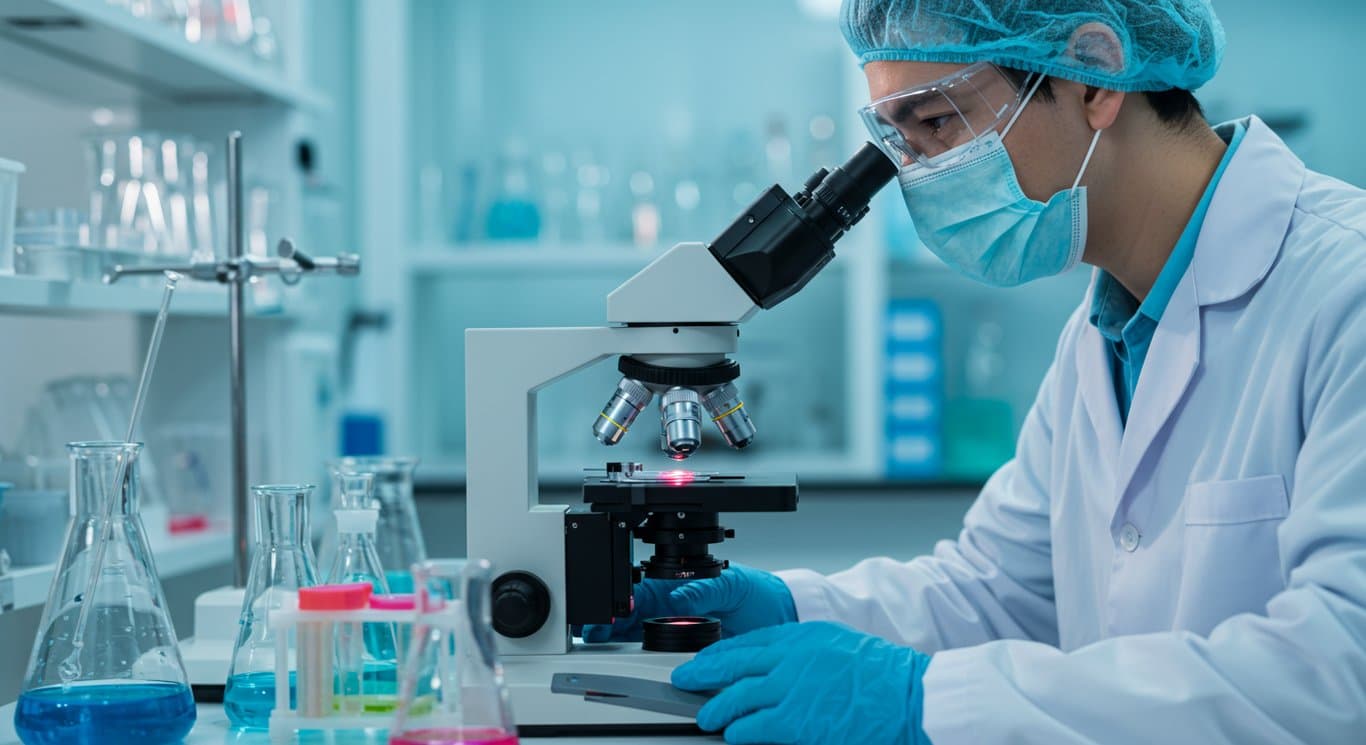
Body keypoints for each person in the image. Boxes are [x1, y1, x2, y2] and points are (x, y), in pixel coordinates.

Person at [583, 1, 1366, 743]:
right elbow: (1000, 592)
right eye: (899, 139)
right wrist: (788, 608)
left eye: (935, 121)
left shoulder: (1345, 292)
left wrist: (925, 702)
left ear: (1092, 76)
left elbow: (1341, 669)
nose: (921, 173)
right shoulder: (1104, 332)